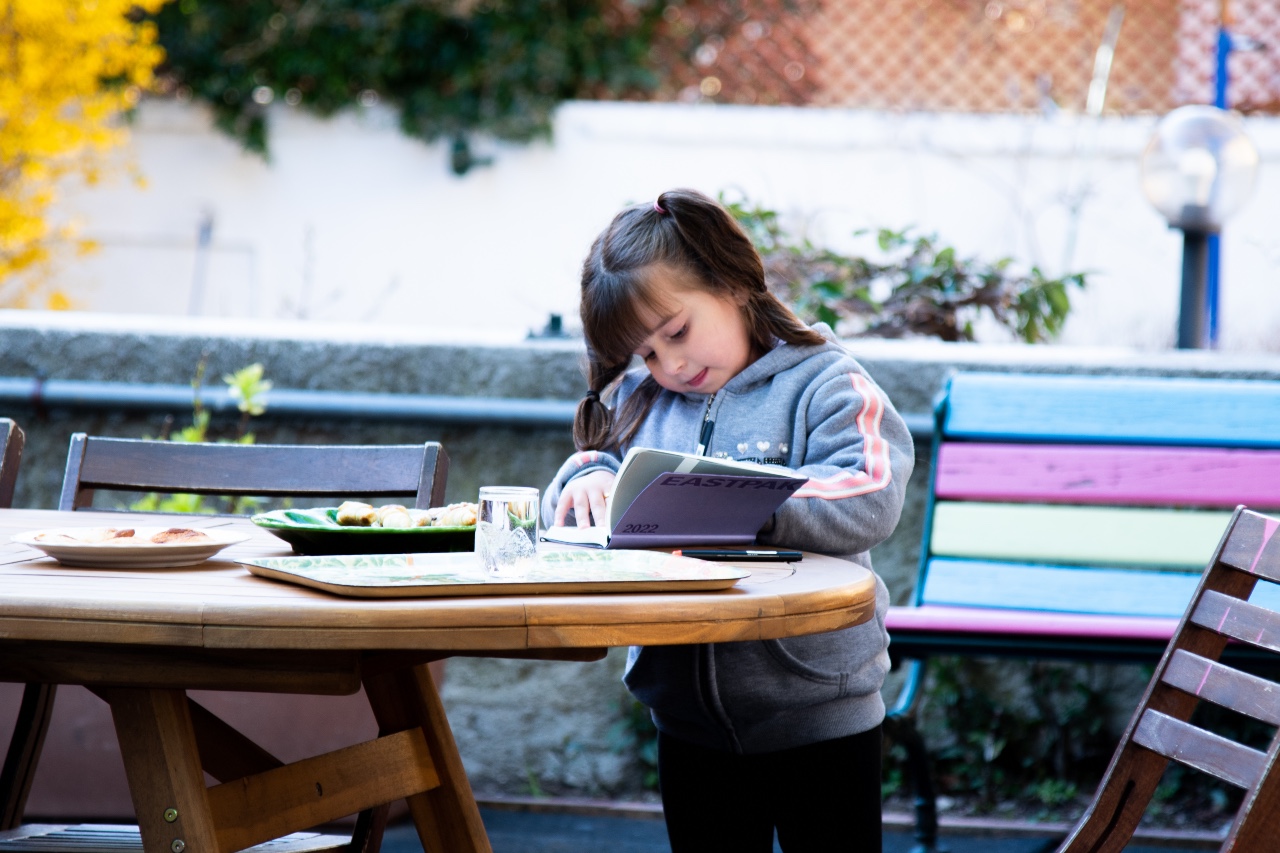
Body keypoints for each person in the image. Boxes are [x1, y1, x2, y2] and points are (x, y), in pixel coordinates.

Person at [542, 188, 915, 852]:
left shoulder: (826, 384)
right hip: (685, 722)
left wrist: (740, 505)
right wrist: (589, 475)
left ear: (732, 283)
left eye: (677, 332)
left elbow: (870, 492)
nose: (671, 365)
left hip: (820, 713)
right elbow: (579, 491)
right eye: (647, 353)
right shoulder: (643, 401)